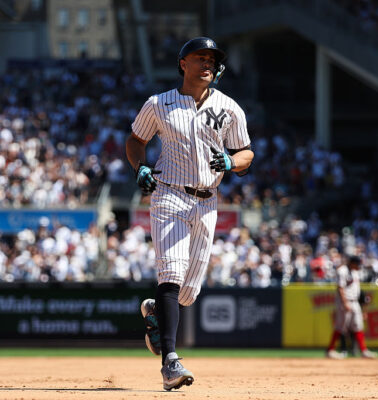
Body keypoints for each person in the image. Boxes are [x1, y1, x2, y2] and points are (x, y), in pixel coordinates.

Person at [126, 37, 254, 390]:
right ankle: (170, 362)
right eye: (200, 57)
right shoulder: (159, 103)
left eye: (212, 59)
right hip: (169, 194)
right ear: (183, 63)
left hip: (208, 201)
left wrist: (231, 161)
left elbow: (246, 153)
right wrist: (140, 167)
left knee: (187, 293)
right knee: (170, 272)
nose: (208, 63)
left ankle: (155, 311)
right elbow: (136, 140)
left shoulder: (229, 108)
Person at [326, 255, 377, 359]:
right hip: (344, 302)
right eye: (357, 264)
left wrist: (363, 308)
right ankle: (330, 350)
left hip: (355, 302)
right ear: (352, 263)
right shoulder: (342, 271)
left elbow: (357, 290)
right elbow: (340, 288)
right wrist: (345, 303)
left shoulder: (355, 272)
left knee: (358, 326)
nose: (359, 266)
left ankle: (364, 351)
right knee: (340, 326)